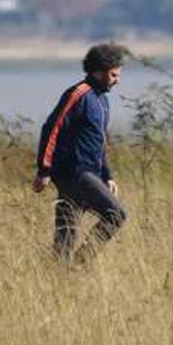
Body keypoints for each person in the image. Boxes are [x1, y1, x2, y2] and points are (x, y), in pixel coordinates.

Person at [34, 42, 127, 262]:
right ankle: (80, 263)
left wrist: (108, 175)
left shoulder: (102, 101)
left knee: (65, 237)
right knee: (116, 215)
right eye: (113, 75)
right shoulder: (79, 94)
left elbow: (100, 142)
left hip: (91, 174)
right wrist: (44, 170)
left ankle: (61, 276)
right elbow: (51, 128)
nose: (117, 81)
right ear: (98, 71)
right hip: (74, 173)